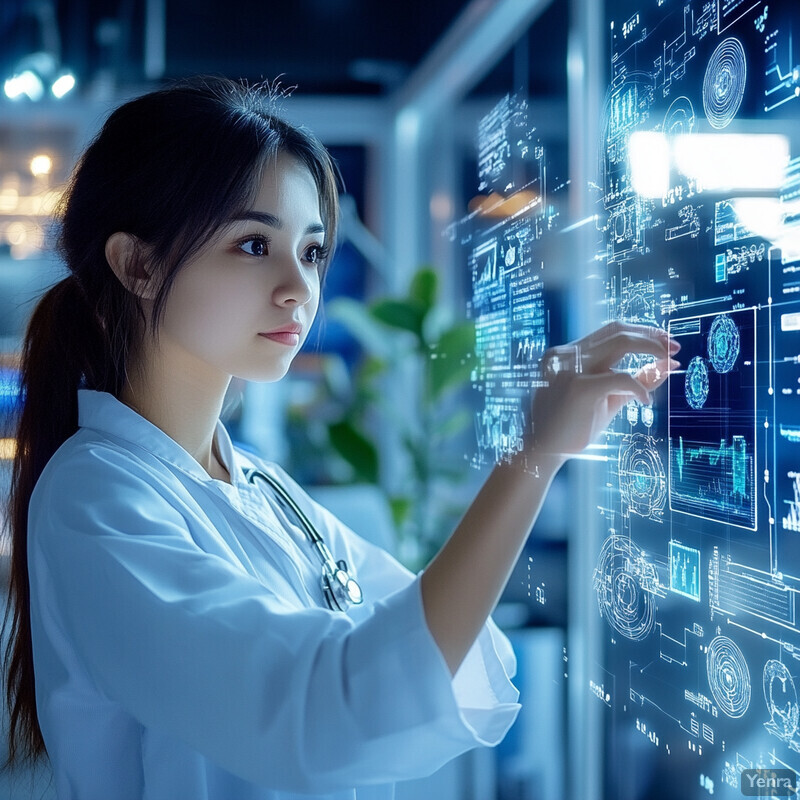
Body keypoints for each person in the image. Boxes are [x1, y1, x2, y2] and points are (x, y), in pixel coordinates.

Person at [1, 76, 679, 799]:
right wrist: (532, 458)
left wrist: (532, 463)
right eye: (254, 244)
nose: (300, 288)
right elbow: (329, 714)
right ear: (138, 264)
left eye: (314, 252)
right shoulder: (95, 497)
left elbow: (451, 650)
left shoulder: (259, 487)